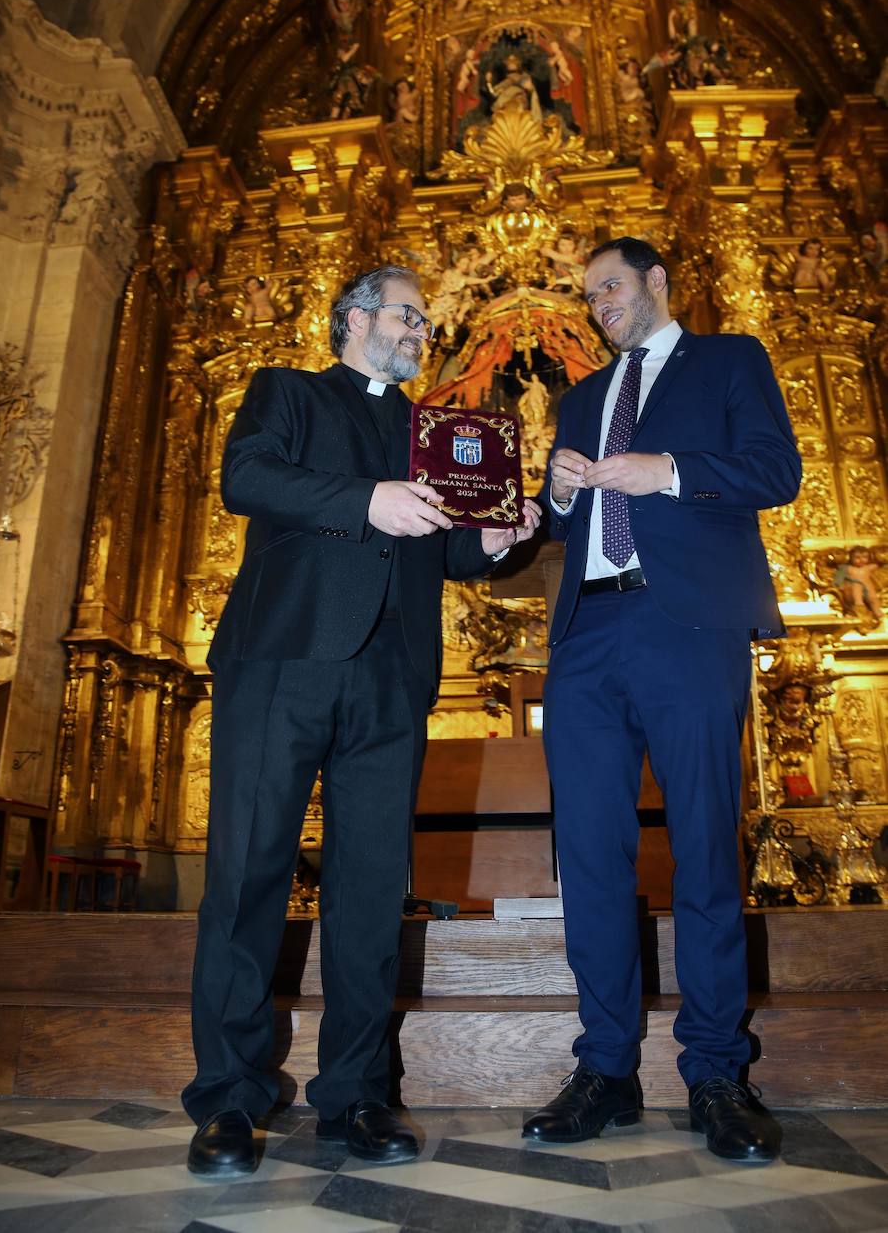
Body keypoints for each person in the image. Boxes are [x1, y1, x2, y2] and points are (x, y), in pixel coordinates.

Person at [184, 264, 541, 1178]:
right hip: (284, 661)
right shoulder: (289, 393)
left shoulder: (431, 429)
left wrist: (497, 541)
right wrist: (364, 500)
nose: (425, 330)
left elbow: (450, 545)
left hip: (393, 674)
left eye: (427, 320)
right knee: (249, 873)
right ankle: (228, 1100)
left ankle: (356, 1095)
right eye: (409, 314)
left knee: (373, 890)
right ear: (353, 319)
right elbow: (247, 477)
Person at [524, 237, 801, 1162]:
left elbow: (776, 472)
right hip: (587, 638)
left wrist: (667, 469)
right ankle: (605, 1068)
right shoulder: (580, 399)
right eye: (589, 293)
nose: (599, 302)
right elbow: (563, 522)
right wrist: (558, 491)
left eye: (612, 285)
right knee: (591, 860)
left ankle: (717, 1071)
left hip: (687, 626)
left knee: (703, 851)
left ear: (656, 283)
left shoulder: (729, 360)